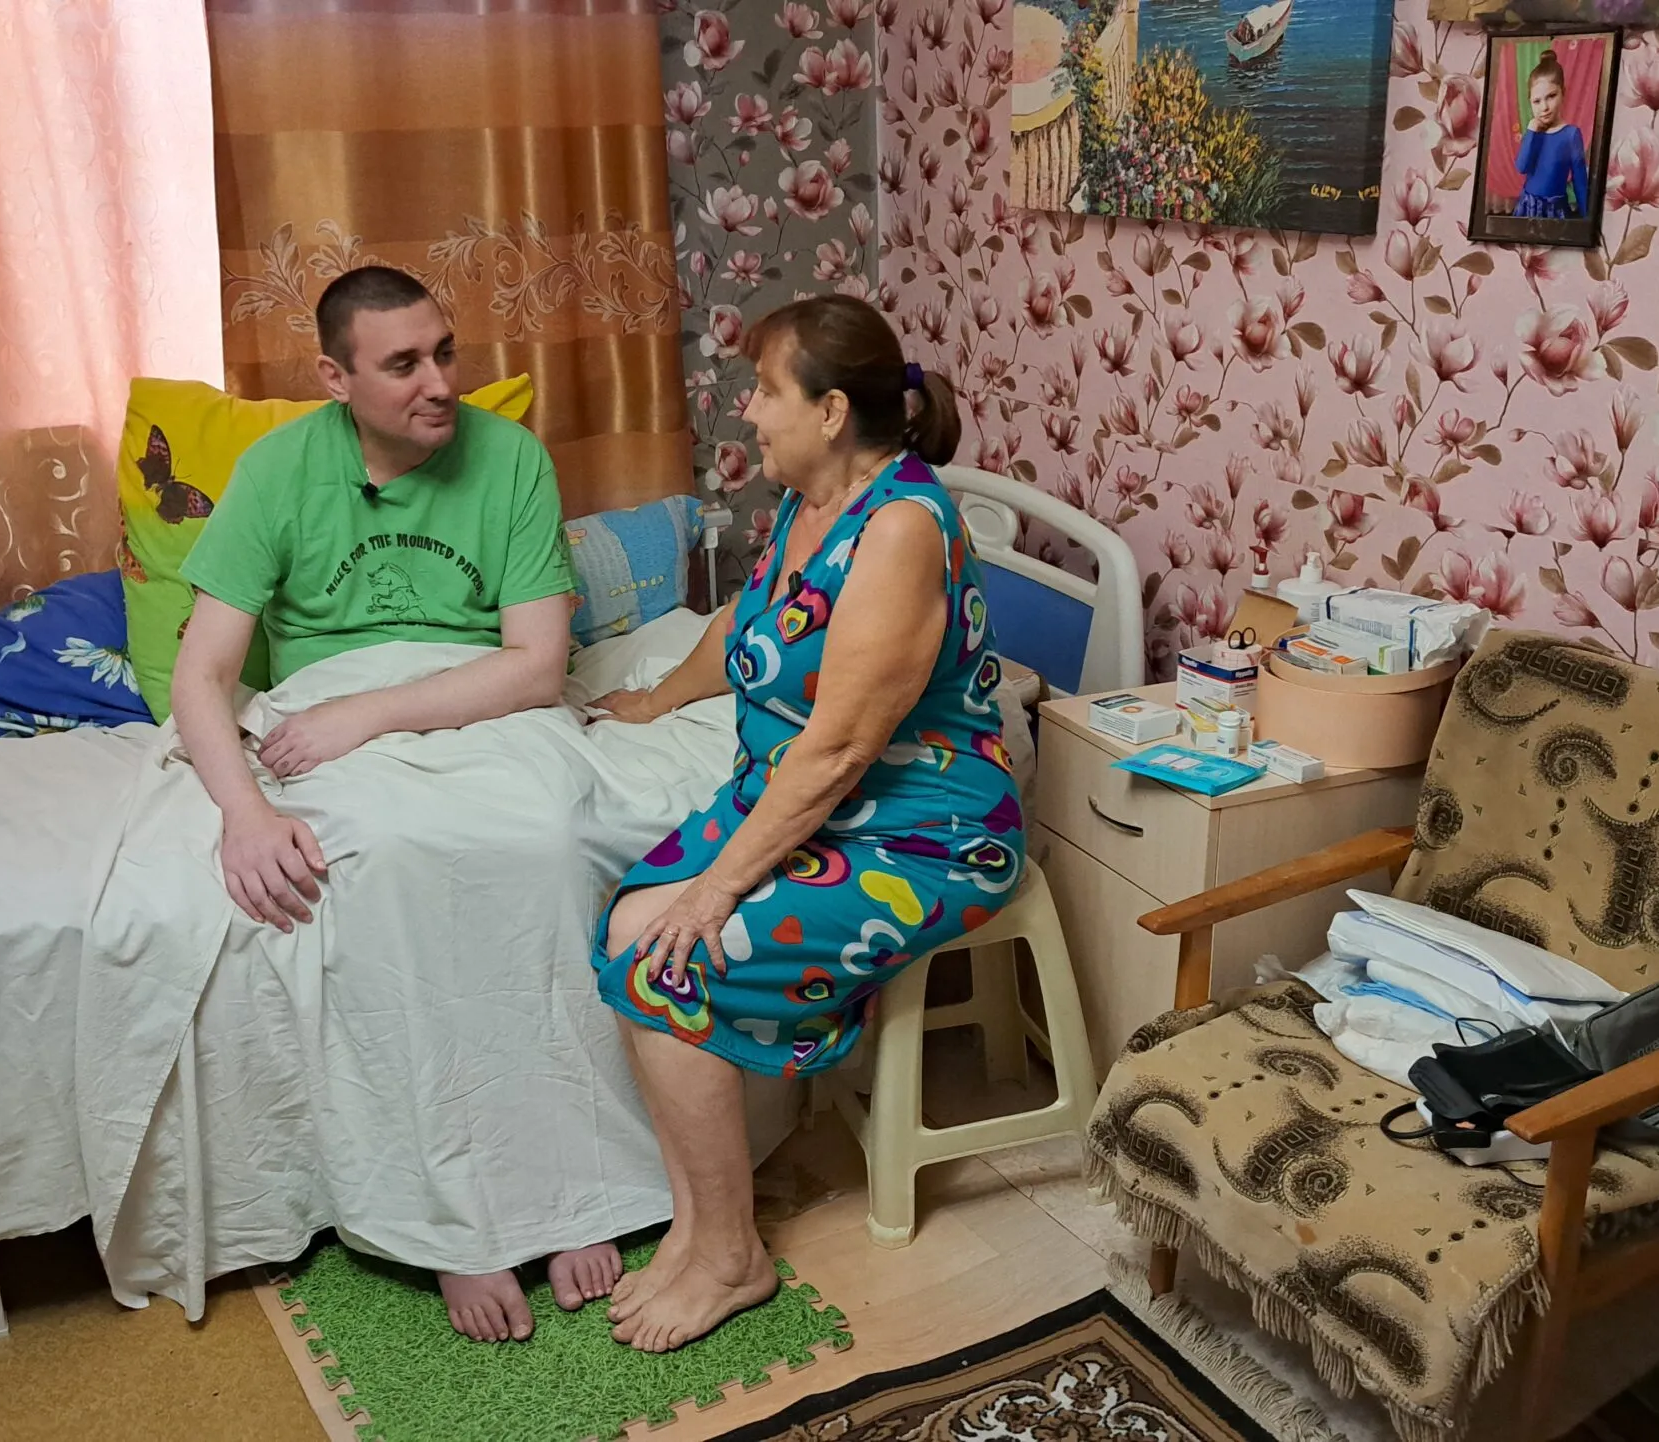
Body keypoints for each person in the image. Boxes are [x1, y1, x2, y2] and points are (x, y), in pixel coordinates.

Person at [169, 265, 621, 1342]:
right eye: (403, 363)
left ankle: (574, 1187)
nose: (439, 383)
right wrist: (243, 810)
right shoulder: (278, 469)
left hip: (473, 694)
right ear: (334, 376)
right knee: (385, 855)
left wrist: (374, 715)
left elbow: (534, 664)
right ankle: (451, 1217)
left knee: (553, 836)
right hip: (330, 699)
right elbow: (201, 675)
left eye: (445, 353)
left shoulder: (509, 456)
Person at [585, 296, 1023, 1352]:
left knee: (668, 955)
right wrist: (658, 697)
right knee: (625, 920)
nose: (748, 411)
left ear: (831, 410)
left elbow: (835, 751)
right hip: (814, 793)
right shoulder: (810, 500)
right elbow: (750, 620)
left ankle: (732, 1256)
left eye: (766, 391)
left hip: (922, 825)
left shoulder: (904, 529)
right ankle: (699, 1223)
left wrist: (718, 885)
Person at [1510, 50, 1589, 220]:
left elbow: (1580, 181)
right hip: (1528, 206)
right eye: (1537, 101)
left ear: (1563, 92)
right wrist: (1531, 131)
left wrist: (1587, 221)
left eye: (1551, 96)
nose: (1544, 107)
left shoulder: (1571, 134)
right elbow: (1522, 167)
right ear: (1530, 102)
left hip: (1555, 210)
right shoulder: (1534, 132)